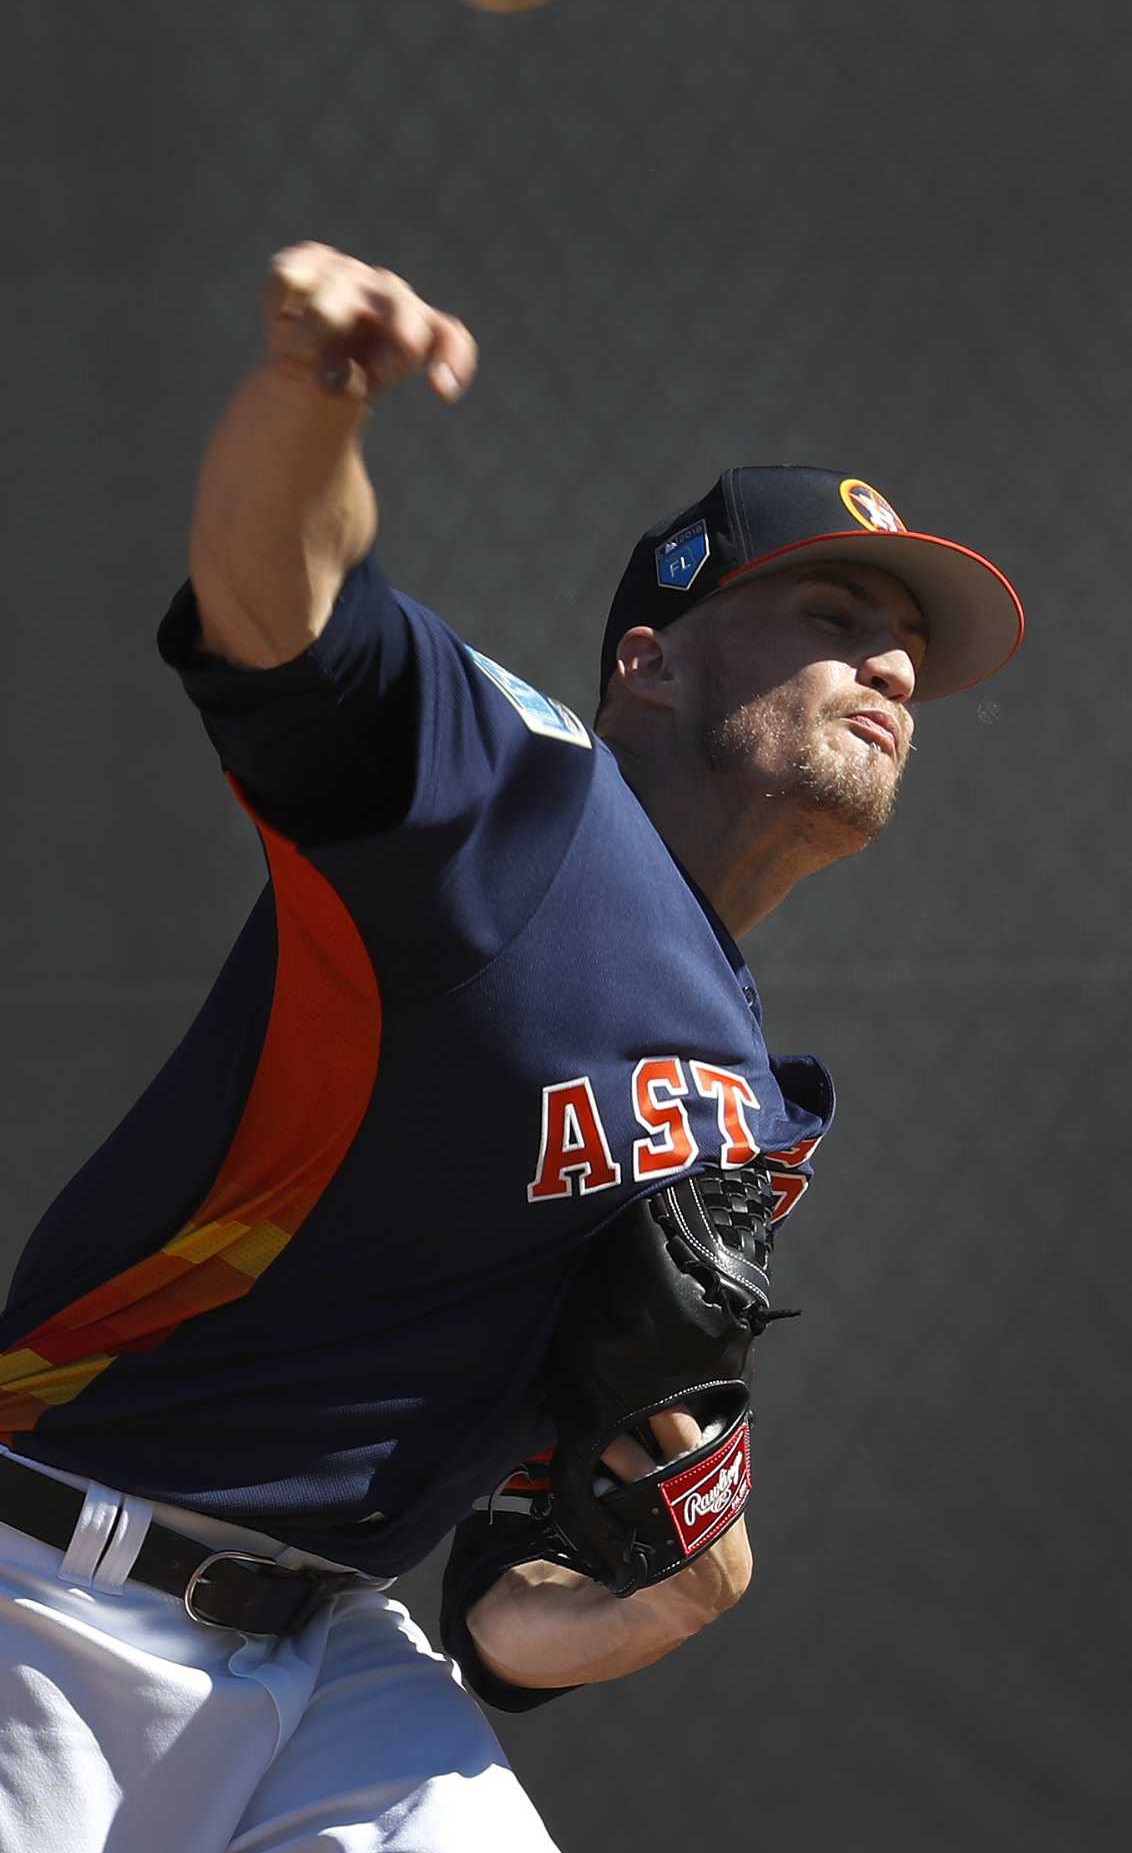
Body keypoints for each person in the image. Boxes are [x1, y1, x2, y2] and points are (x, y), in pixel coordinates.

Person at [0, 243, 1024, 1852]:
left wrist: (677, 1588)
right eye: (832, 612)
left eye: (910, 649)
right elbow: (282, 618)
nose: (892, 662)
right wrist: (310, 403)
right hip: (50, 1592)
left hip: (334, 1648)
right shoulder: (515, 795)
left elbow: (500, 1607)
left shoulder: (743, 1102)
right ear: (650, 663)